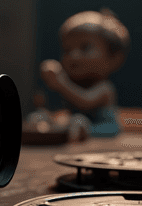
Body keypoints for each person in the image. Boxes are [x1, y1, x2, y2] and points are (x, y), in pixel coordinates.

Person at [40, 9, 130, 139]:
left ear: (113, 58)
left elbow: (85, 101)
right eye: (67, 49)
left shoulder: (105, 88)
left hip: (103, 130)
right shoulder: (72, 84)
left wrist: (61, 83)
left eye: (85, 47)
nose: (74, 56)